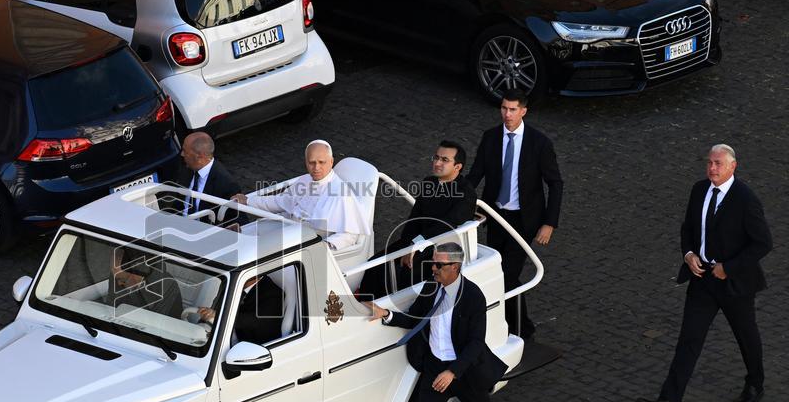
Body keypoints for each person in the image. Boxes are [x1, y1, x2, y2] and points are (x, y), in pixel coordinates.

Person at [638, 144, 772, 402]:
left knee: (746, 336)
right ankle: (669, 401)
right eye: (709, 163)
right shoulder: (699, 190)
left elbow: (763, 243)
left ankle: (755, 382)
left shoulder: (746, 199)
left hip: (735, 285)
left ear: (733, 167)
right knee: (689, 338)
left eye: (718, 164)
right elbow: (688, 228)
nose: (712, 168)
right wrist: (688, 255)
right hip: (702, 281)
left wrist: (729, 268)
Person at [365, 242, 507, 402]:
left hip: (463, 372)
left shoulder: (473, 296)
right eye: (433, 263)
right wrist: (386, 315)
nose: (433, 269)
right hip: (434, 369)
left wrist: (453, 372)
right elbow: (415, 320)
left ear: (455, 267)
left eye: (439, 265)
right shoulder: (431, 290)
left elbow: (476, 342)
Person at [466, 88, 562, 340]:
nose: (506, 114)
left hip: (524, 220)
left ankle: (519, 327)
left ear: (523, 111)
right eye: (503, 108)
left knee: (507, 274)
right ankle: (518, 324)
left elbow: (555, 183)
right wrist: (459, 200)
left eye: (512, 109)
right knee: (500, 273)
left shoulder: (539, 143)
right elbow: (476, 174)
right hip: (496, 216)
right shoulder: (490, 138)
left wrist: (549, 223)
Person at [357, 140, 477, 299]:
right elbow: (415, 218)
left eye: (444, 160)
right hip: (417, 241)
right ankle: (365, 301)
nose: (437, 163)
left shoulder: (466, 193)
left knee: (403, 272)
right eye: (436, 157)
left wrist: (416, 245)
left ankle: (384, 308)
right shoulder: (430, 182)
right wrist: (407, 243)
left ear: (458, 167)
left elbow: (447, 225)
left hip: (440, 248)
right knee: (375, 263)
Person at [232, 140, 371, 251]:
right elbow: (280, 201)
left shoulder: (342, 193)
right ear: (306, 162)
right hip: (289, 228)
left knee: (258, 252)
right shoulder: (304, 180)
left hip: (309, 244)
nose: (316, 168)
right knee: (243, 235)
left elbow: (350, 234)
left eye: (321, 162)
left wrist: (326, 246)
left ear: (331, 162)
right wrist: (248, 201)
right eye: (312, 163)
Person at [167, 132, 242, 224]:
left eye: (185, 151)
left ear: (199, 156)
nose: (182, 154)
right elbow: (179, 204)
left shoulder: (226, 184)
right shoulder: (187, 168)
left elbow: (235, 220)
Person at [197, 273, 284, 345]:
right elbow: (217, 307)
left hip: (248, 349)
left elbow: (253, 320)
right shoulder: (229, 282)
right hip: (219, 338)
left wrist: (218, 316)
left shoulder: (274, 294)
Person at [110, 250, 184, 320]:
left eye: (123, 280)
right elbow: (110, 307)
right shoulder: (118, 275)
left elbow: (153, 324)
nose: (119, 283)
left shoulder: (167, 287)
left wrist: (134, 291)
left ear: (137, 273)